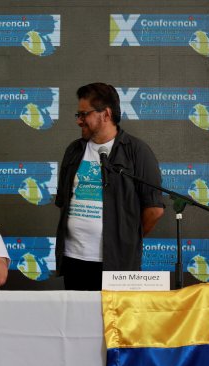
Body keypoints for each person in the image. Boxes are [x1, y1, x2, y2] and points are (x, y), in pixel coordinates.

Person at [55, 82, 165, 290]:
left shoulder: (137, 151)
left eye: (84, 114)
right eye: (77, 115)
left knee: (113, 322)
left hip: (116, 265)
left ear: (105, 114)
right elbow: (63, 201)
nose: (79, 121)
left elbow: (154, 209)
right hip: (73, 259)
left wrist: (124, 241)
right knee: (77, 321)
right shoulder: (74, 150)